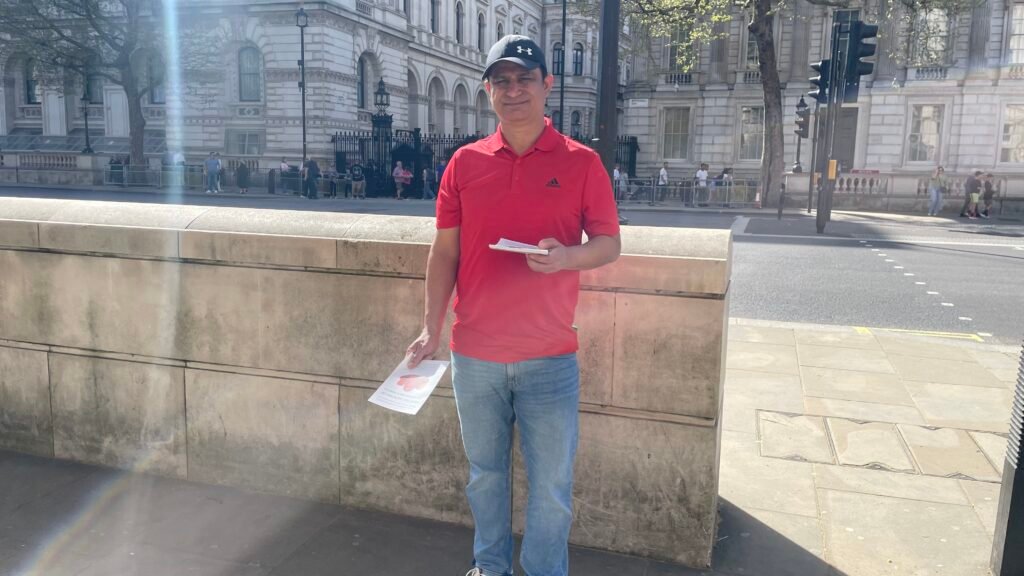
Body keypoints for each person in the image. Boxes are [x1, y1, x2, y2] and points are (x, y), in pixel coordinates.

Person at [405, 35, 621, 576]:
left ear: (548, 85)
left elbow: (609, 243)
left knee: (551, 487)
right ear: (488, 91)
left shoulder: (582, 162)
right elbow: (445, 251)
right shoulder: (464, 163)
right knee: (484, 475)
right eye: (501, 80)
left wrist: (567, 257)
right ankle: (491, 566)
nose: (513, 89)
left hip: (550, 356)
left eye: (524, 78)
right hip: (474, 355)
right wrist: (430, 327)